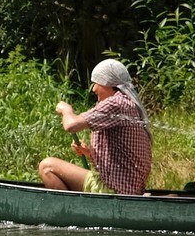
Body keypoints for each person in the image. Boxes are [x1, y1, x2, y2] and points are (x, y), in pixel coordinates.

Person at [38, 59, 152, 195]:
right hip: (125, 189)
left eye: (96, 83)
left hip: (114, 191)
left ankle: (72, 213)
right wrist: (89, 152)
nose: (94, 89)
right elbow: (122, 160)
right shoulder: (127, 104)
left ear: (107, 83)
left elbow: (71, 125)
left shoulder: (116, 103)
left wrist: (66, 110)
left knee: (47, 166)